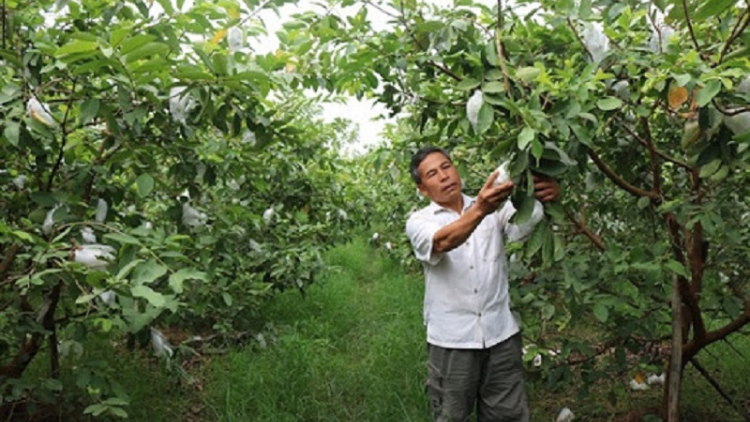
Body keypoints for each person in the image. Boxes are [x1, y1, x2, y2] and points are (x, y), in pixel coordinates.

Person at [405, 146, 559, 422]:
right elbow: (441, 242)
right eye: (432, 173)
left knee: (507, 415)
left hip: (501, 335)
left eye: (446, 166)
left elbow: (521, 225)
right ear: (422, 188)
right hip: (453, 342)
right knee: (452, 416)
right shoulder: (419, 221)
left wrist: (541, 197)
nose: (444, 176)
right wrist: (481, 209)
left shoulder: (492, 208)